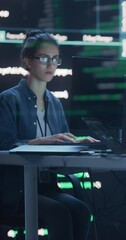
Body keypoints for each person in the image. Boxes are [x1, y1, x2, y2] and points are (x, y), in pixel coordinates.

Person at [0, 30, 94, 240]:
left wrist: (79, 143)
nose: (51, 65)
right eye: (44, 58)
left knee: (81, 211)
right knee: (59, 213)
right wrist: (42, 142)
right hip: (17, 192)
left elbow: (59, 144)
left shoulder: (55, 103)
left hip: (46, 186)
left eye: (55, 59)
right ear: (27, 62)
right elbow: (5, 146)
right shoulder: (9, 99)